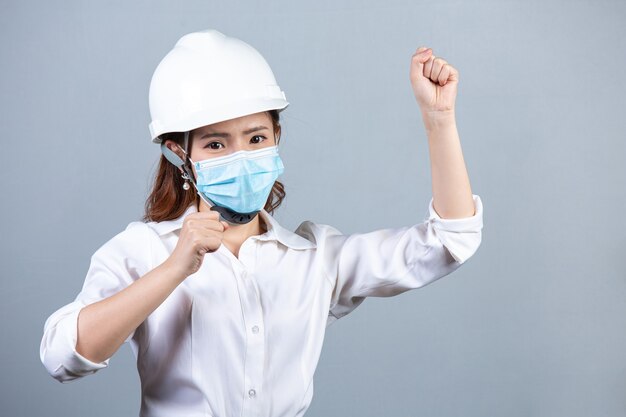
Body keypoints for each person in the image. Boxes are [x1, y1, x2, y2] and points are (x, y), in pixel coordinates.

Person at [40, 29, 484, 417]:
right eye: (216, 145)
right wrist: (174, 269)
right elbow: (63, 357)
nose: (242, 157)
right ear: (180, 154)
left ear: (276, 138)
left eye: (256, 138)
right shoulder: (144, 252)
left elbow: (449, 242)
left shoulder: (315, 258)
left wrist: (439, 118)